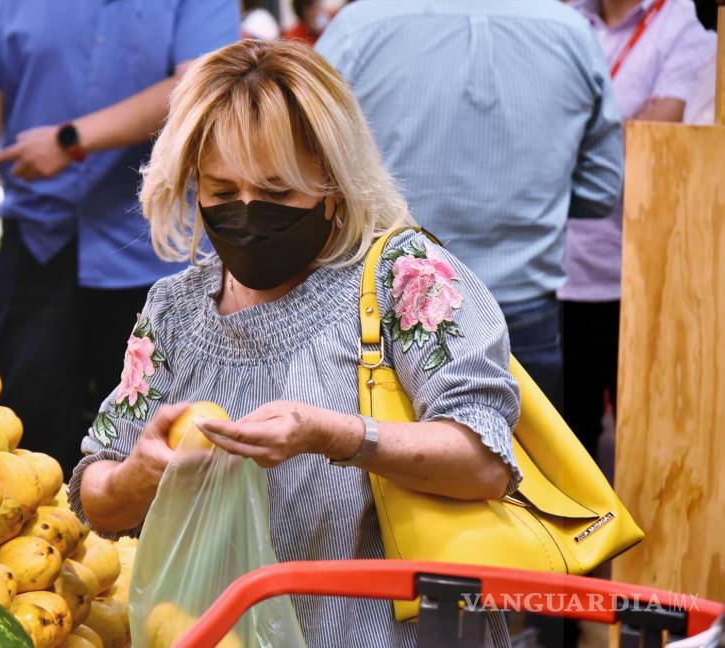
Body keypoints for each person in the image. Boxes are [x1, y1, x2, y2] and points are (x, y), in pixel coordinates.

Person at [72, 39, 522, 647]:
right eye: (222, 193)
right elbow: (96, 497)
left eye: (278, 193)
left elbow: (484, 462)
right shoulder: (175, 309)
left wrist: (332, 434)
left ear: (334, 185)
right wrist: (140, 474)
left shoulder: (403, 278)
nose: (248, 214)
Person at [0, 0, 239, 470]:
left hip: (152, 250)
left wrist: (71, 139)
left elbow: (198, 82)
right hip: (38, 242)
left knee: (156, 445)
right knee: (24, 436)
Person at [315, 0, 624, 411]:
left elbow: (310, 177)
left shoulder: (357, 29)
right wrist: (529, 205)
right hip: (523, 312)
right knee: (527, 473)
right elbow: (602, 187)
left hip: (385, 311)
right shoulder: (571, 32)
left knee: (387, 470)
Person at [560, 0, 715, 468]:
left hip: (638, 275)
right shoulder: (566, 18)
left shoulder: (683, 28)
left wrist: (566, 138)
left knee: (645, 448)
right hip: (558, 270)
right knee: (568, 445)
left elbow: (655, 141)